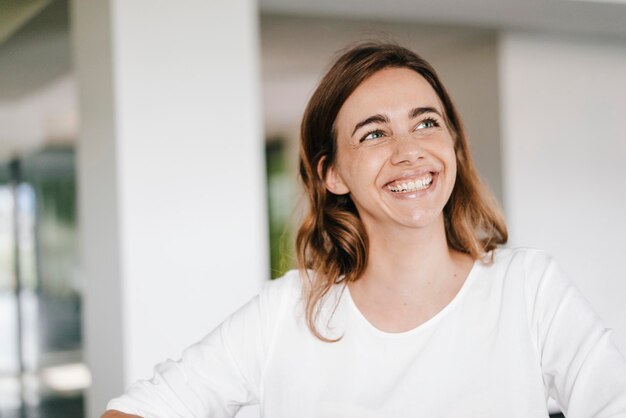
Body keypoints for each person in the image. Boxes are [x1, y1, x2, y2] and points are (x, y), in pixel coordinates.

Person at [103, 42, 626, 418]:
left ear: (454, 146)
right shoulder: (286, 314)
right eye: (374, 133)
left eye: (426, 123)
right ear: (332, 174)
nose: (409, 150)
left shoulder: (529, 289)